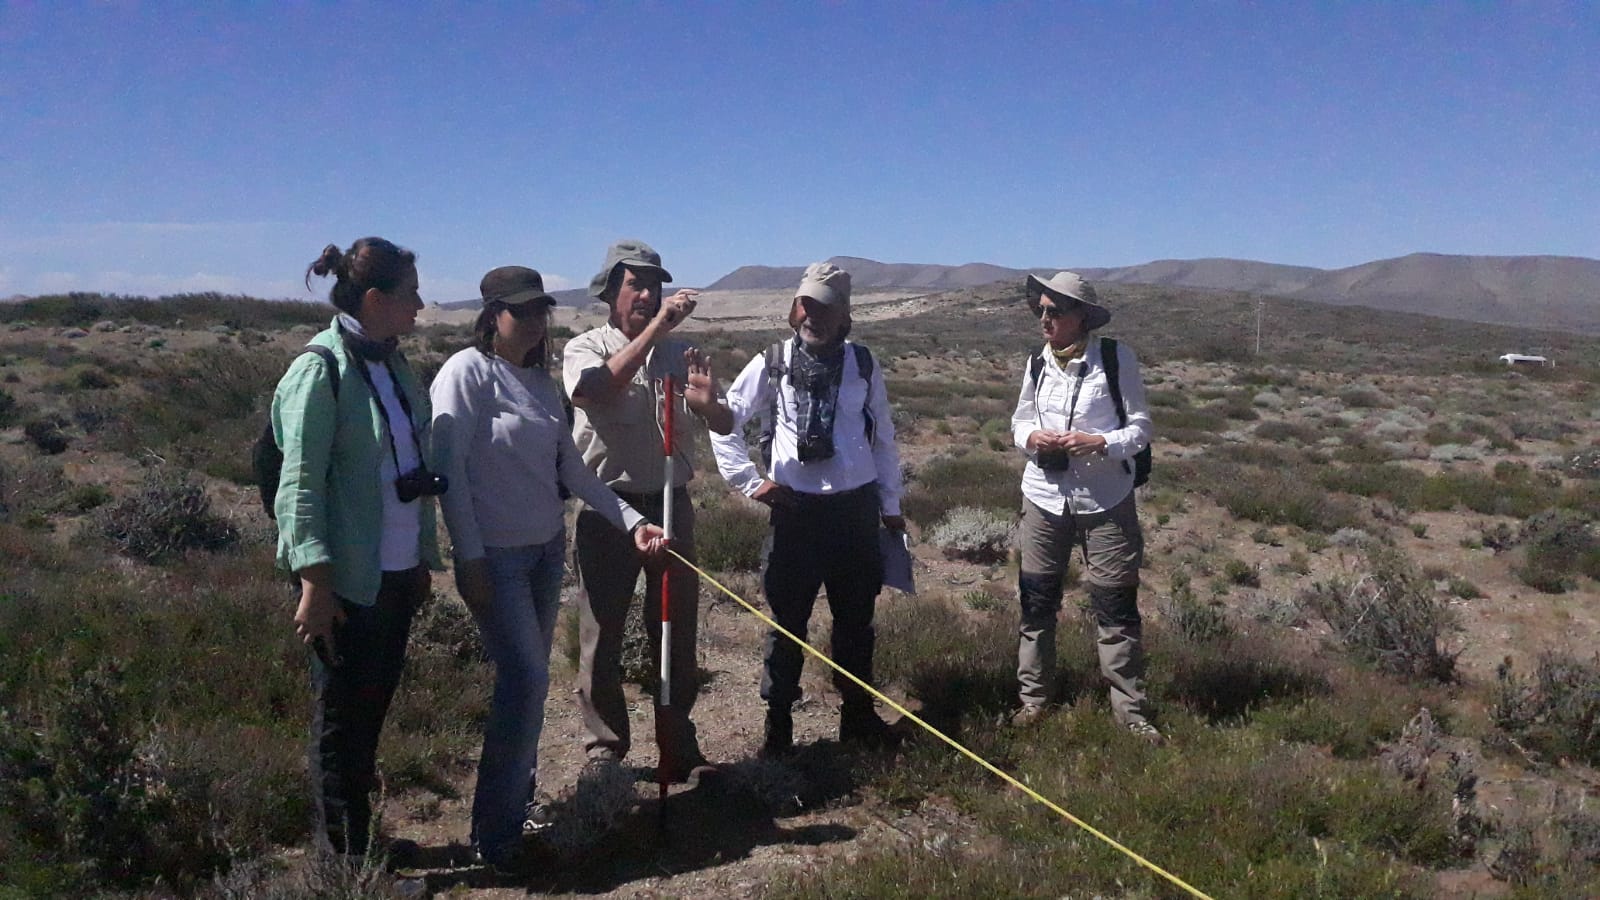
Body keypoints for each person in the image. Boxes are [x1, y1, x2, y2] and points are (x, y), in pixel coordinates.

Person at [430, 266, 667, 870]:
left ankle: (514, 810)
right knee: (526, 684)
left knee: (529, 692)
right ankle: (497, 835)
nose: (535, 322)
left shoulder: (537, 383)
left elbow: (576, 472)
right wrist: (469, 556)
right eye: (521, 311)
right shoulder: (465, 373)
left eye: (541, 311)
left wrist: (631, 519)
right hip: (498, 559)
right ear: (492, 316)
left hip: (543, 555)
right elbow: (449, 474)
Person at [271, 237, 443, 860]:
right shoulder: (320, 369)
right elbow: (299, 483)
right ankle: (344, 866)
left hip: (393, 575)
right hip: (344, 583)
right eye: (410, 295)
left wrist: (421, 558)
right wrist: (314, 579)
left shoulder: (394, 365)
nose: (421, 305)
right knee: (341, 728)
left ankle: (360, 843)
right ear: (375, 300)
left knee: (370, 717)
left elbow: (412, 468)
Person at [709, 262, 906, 756]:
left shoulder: (864, 363)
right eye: (805, 305)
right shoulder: (772, 360)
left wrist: (891, 505)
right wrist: (751, 484)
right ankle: (778, 730)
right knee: (785, 624)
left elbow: (882, 436)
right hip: (795, 513)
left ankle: (857, 719)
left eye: (823, 307)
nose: (811, 316)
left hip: (855, 513)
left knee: (856, 621)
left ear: (844, 316)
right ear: (794, 308)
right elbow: (726, 419)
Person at [562, 240, 733, 781]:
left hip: (669, 501)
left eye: (653, 284)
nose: (646, 293)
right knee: (602, 631)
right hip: (608, 508)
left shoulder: (680, 354)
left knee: (675, 627)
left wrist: (711, 407)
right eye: (634, 283)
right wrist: (655, 330)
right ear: (610, 293)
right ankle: (604, 750)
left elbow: (725, 423)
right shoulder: (584, 346)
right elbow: (591, 391)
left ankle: (678, 742)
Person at [1007, 271, 1159, 743]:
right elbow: (1019, 420)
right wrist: (1033, 437)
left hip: (1106, 499)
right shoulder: (1037, 361)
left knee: (1115, 606)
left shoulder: (1114, 359)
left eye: (1055, 311)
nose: (1045, 319)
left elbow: (1140, 427)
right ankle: (1033, 702)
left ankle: (1130, 713)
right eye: (1041, 310)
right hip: (1044, 497)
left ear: (1081, 317)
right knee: (1036, 605)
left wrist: (1100, 442)